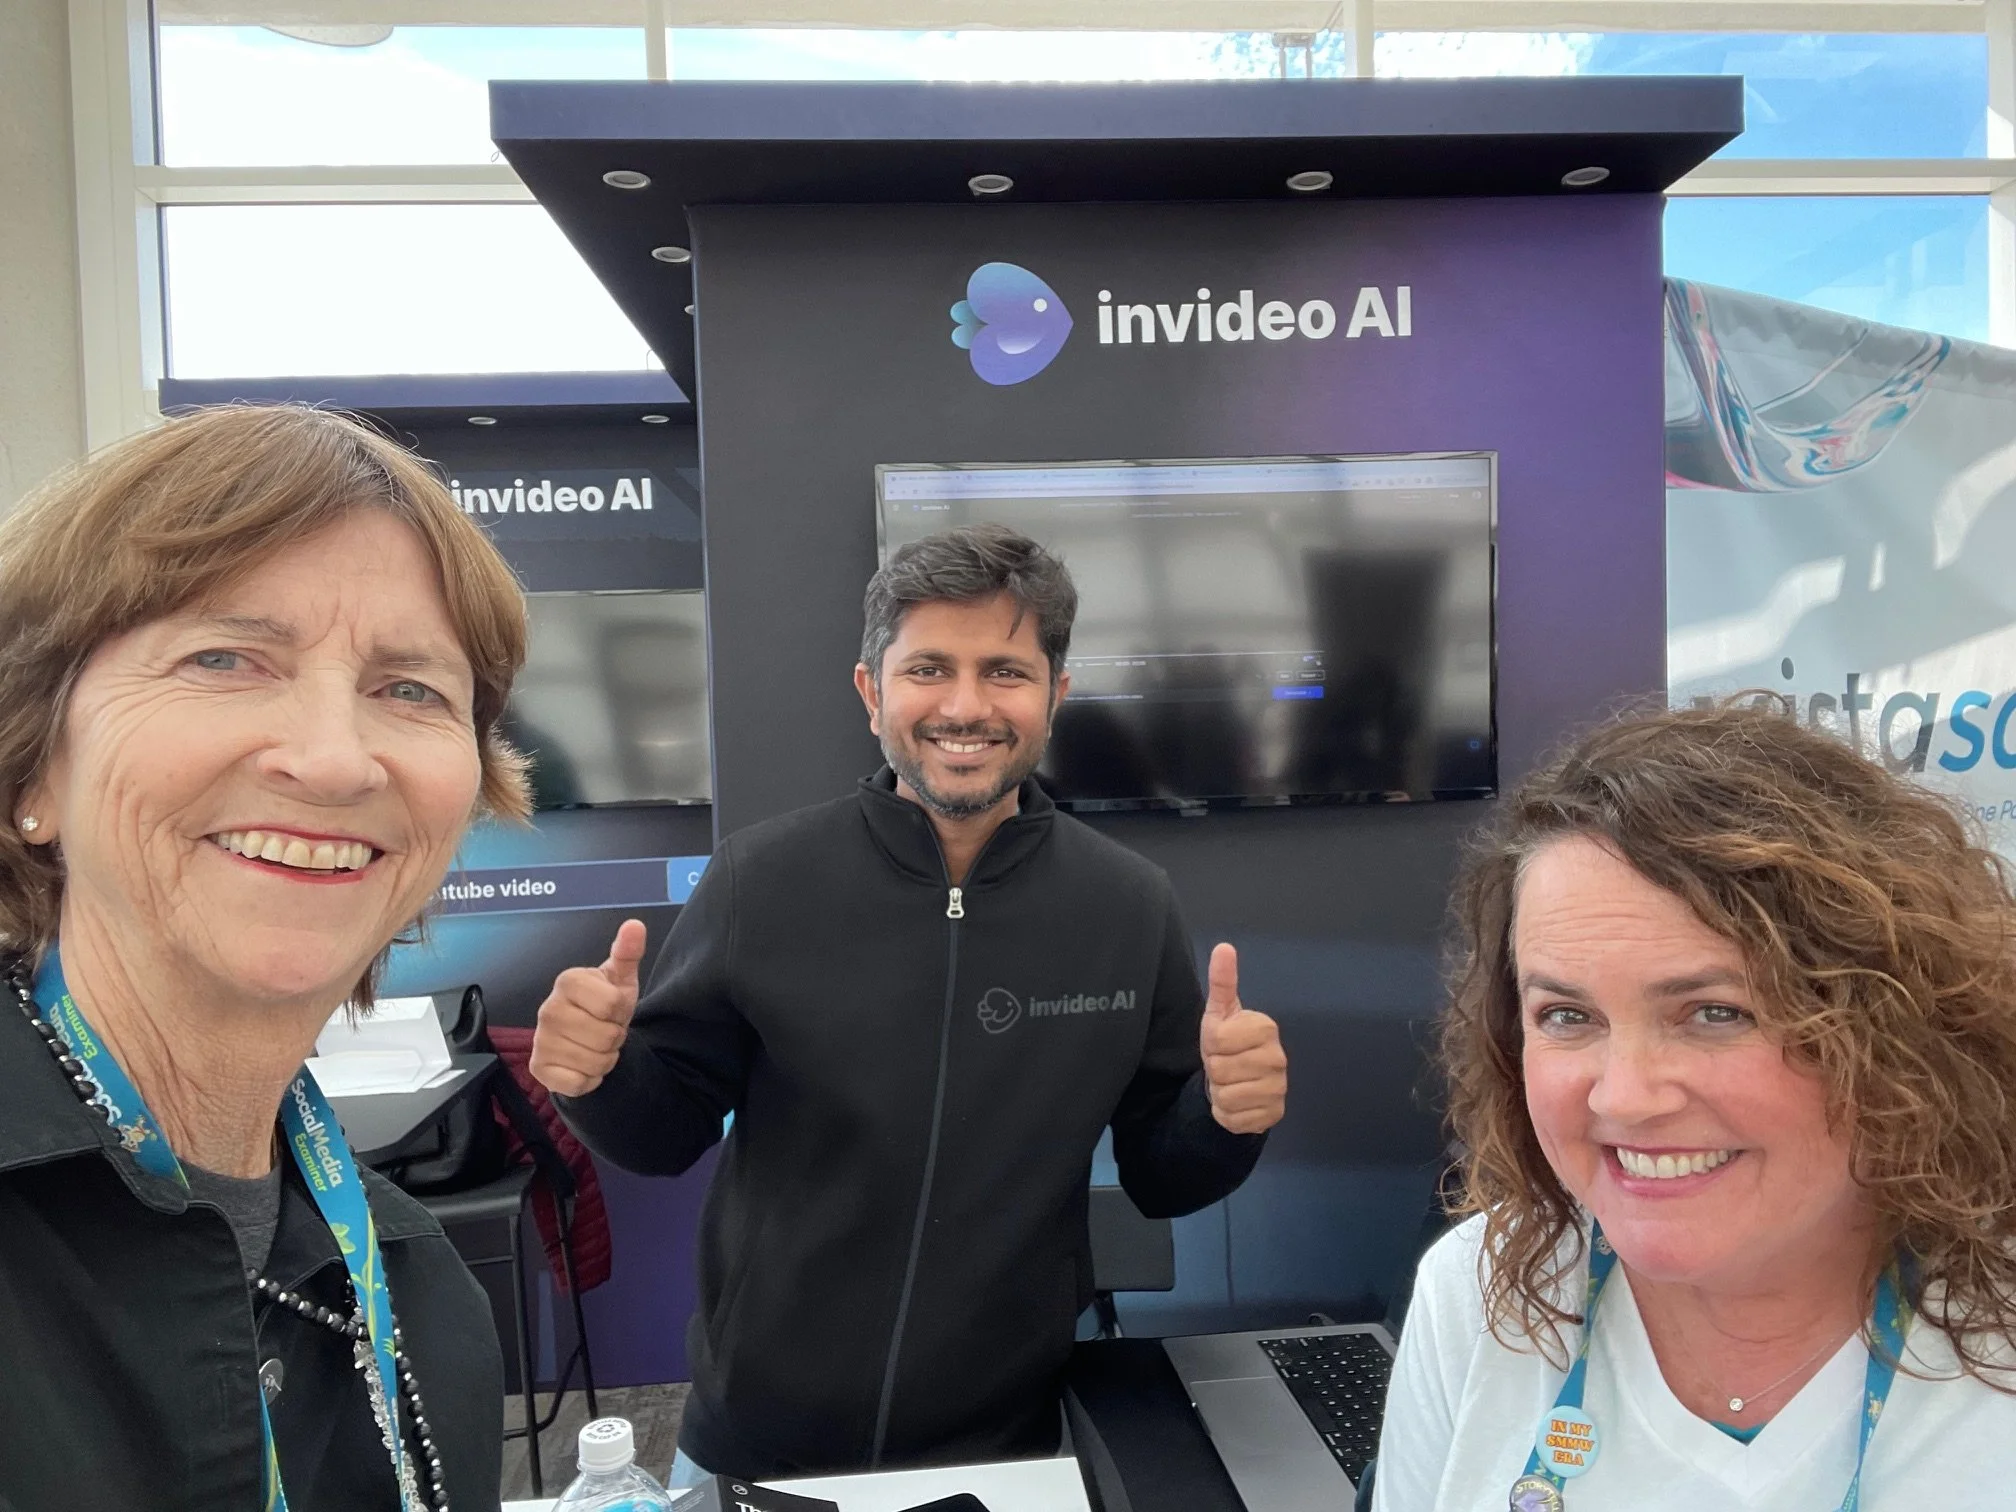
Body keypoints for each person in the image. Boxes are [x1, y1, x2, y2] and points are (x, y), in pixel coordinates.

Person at [531, 523, 1289, 1481]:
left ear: (1055, 694)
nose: (965, 706)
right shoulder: (761, 880)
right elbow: (665, 1132)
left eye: (1005, 672)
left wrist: (1225, 1118)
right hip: (756, 1438)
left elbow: (1160, 1177)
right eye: (929, 668)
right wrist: (595, 1078)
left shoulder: (1128, 905)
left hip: (1013, 1442)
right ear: (871, 691)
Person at [0, 405, 533, 1511]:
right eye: (224, 658)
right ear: (33, 764)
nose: (334, 762)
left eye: (410, 689)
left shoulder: (422, 1299)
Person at [1372, 702, 2016, 1512]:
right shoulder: (1479, 1293)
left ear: (1895, 1029)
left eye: (1716, 1013)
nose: (1625, 1096)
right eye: (1567, 1016)